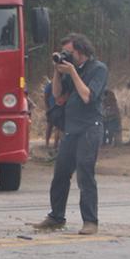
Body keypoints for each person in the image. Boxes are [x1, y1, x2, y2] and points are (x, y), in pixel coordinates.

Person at [34, 34, 108, 236]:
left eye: (69, 52)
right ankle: (56, 217)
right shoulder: (68, 70)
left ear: (81, 51)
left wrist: (73, 72)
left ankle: (90, 221)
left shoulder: (98, 69)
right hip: (71, 128)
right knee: (60, 174)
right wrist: (58, 71)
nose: (66, 55)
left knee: (85, 175)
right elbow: (57, 94)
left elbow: (87, 97)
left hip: (90, 129)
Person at [44, 78, 64, 150]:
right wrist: (47, 108)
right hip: (52, 109)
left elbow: (45, 97)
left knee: (57, 128)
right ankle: (48, 144)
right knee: (52, 127)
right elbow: (46, 97)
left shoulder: (63, 83)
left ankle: (55, 146)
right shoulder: (50, 85)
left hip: (58, 108)